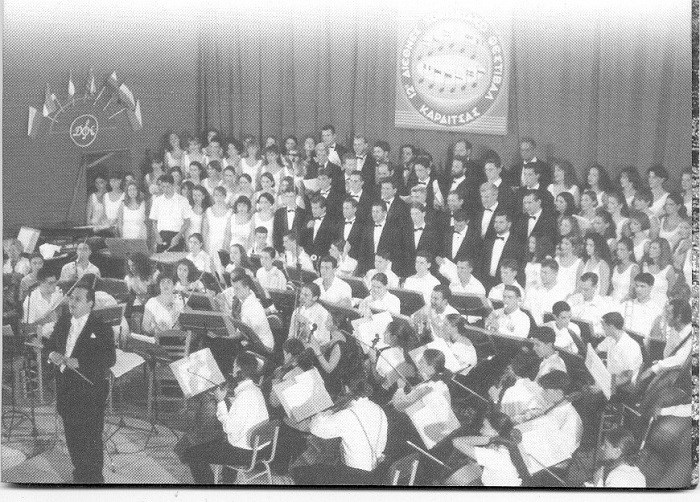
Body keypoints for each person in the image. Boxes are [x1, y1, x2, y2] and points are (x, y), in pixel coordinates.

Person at [46, 282, 116, 483]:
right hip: (65, 388)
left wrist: (81, 362)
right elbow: (49, 345)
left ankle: (94, 481)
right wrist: (51, 354)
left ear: (90, 303)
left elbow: (109, 358)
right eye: (71, 297)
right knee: (72, 437)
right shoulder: (63, 321)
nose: (72, 302)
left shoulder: (102, 327)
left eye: (78, 299)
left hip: (89, 391)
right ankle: (79, 476)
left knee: (91, 439)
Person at [176, 352, 270, 484]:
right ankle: (227, 480)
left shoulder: (244, 396)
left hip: (244, 453)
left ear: (239, 369)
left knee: (192, 454)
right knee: (213, 439)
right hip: (259, 448)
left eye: (234, 366)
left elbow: (229, 429)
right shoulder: (255, 390)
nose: (232, 369)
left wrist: (220, 401)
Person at [291, 379, 387, 485]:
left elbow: (315, 428)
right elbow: (381, 444)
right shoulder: (379, 409)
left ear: (346, 389)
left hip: (352, 476)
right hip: (373, 472)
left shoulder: (348, 414)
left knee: (300, 472)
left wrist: (324, 412)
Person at [596, 312, 643, 395]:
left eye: (603, 326)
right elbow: (597, 350)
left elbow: (626, 378)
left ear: (611, 327)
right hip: (612, 377)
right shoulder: (610, 338)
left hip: (624, 386)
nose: (602, 329)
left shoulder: (630, 347)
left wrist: (602, 386)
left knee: (591, 395)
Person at [227, 272, 274, 352]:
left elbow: (245, 333)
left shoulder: (252, 306)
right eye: (234, 289)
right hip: (256, 342)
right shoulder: (245, 301)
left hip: (264, 346)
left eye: (237, 289)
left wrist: (227, 337)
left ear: (247, 288)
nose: (234, 292)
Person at [149, 174, 192, 252]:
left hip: (177, 236)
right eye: (163, 187)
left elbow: (187, 222)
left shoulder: (183, 200)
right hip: (161, 237)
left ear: (173, 185)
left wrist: (178, 236)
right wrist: (157, 236)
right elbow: (154, 222)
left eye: (168, 186)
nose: (165, 189)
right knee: (161, 259)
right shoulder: (157, 201)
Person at [619, 273, 664, 341]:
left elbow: (655, 337)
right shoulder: (626, 304)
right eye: (636, 286)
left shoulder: (657, 311)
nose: (638, 289)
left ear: (651, 287)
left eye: (642, 286)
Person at [524, 258, 569, 326]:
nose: (542, 275)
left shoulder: (563, 294)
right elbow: (525, 310)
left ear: (555, 274)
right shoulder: (533, 290)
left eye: (545, 273)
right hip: (531, 327)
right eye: (541, 272)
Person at [22, 268, 63, 339]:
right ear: (41, 283)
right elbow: (28, 329)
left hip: (60, 333)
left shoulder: (58, 292)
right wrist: (46, 319)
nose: (54, 285)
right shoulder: (30, 300)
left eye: (55, 282)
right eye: (50, 283)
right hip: (42, 338)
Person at [203, 186, 232, 254]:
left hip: (224, 243)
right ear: (213, 196)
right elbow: (205, 231)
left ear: (225, 197)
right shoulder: (208, 210)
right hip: (210, 243)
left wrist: (225, 248)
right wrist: (205, 247)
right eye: (216, 195)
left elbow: (228, 233)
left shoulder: (230, 212)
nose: (218, 198)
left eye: (221, 195)